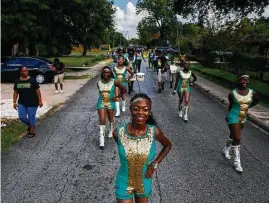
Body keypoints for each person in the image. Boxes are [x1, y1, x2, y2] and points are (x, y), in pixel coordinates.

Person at [113, 93, 172, 203]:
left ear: (149, 112)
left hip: (145, 181)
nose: (140, 113)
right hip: (123, 181)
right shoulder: (118, 133)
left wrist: (154, 164)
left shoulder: (154, 132)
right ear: (130, 109)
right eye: (136, 109)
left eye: (145, 110)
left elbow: (168, 145)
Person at [223, 74, 259, 173]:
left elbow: (256, 101)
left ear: (248, 82)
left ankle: (226, 149)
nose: (244, 81)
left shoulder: (253, 93)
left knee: (233, 135)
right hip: (233, 116)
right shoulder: (232, 93)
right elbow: (231, 105)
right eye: (242, 80)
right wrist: (227, 116)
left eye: (246, 80)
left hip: (243, 117)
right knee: (238, 138)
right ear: (238, 81)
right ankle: (237, 162)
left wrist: (247, 107)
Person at [97, 66, 127, 149]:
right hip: (101, 103)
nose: (106, 74)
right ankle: (101, 139)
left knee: (111, 119)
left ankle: (111, 129)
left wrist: (117, 97)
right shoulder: (98, 83)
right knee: (102, 120)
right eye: (104, 72)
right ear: (102, 73)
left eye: (108, 72)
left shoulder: (115, 82)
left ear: (110, 74)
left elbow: (124, 90)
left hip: (111, 103)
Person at [13, 66, 43, 138]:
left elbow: (37, 91)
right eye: (24, 71)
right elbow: (15, 92)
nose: (26, 72)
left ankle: (32, 130)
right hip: (22, 102)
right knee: (21, 117)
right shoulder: (17, 81)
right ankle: (31, 124)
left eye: (26, 70)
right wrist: (14, 102)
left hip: (33, 102)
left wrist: (40, 101)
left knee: (31, 117)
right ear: (20, 72)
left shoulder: (32, 80)